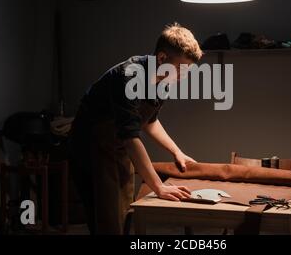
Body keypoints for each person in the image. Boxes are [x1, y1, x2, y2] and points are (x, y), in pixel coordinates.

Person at [68, 23, 203, 234]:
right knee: (107, 219)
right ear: (162, 58)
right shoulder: (128, 77)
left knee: (124, 213)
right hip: (91, 149)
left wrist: (177, 152)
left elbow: (149, 121)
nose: (183, 76)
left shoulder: (162, 80)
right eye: (181, 69)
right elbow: (131, 137)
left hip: (118, 148)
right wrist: (158, 187)